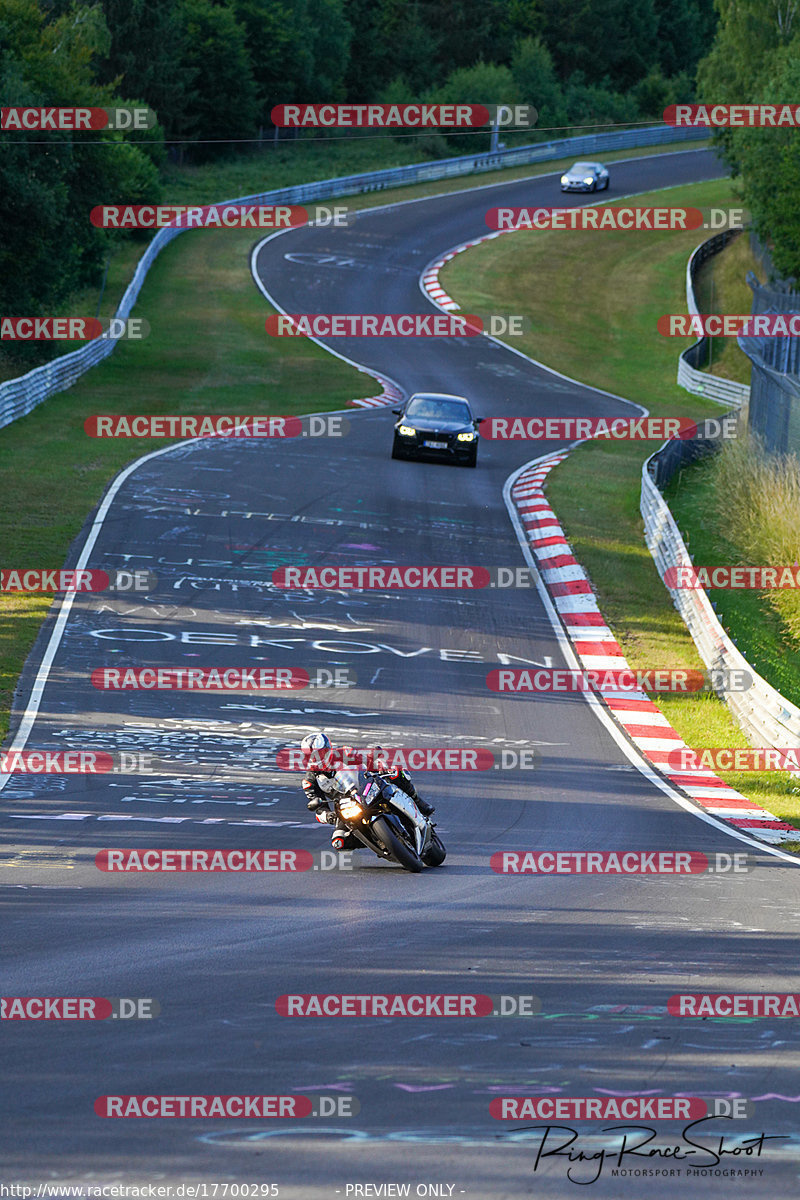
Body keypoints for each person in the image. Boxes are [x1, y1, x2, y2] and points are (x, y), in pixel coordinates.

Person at [300, 731, 435, 850]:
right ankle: (380, 841)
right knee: (338, 842)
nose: (315, 759)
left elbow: (367, 763)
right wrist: (329, 816)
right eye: (311, 756)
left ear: (328, 749)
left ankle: (418, 802)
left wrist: (376, 764)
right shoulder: (309, 780)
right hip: (345, 808)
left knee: (396, 773)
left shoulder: (345, 753)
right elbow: (318, 808)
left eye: (319, 754)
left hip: (366, 788)